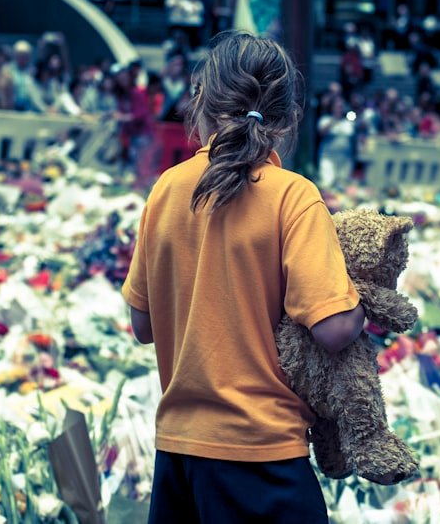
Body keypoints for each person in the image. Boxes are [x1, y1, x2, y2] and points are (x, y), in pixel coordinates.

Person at [122, 31, 363, 523]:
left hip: (179, 456)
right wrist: (364, 299)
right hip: (262, 456)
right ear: (287, 117)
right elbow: (334, 328)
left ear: (201, 103)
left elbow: (142, 325)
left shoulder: (166, 189)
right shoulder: (292, 196)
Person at [318, 97, 356, 187]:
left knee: (343, 185)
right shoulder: (325, 120)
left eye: (341, 107)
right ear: (332, 107)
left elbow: (354, 140)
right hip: (328, 157)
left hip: (345, 159)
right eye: (337, 107)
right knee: (327, 184)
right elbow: (321, 134)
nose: (340, 109)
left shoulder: (348, 122)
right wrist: (333, 121)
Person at [11, 40, 46, 113]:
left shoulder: (33, 70)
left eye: (25, 55)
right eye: (20, 55)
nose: (22, 57)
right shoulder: (8, 69)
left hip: (30, 109)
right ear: (15, 55)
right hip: (13, 108)